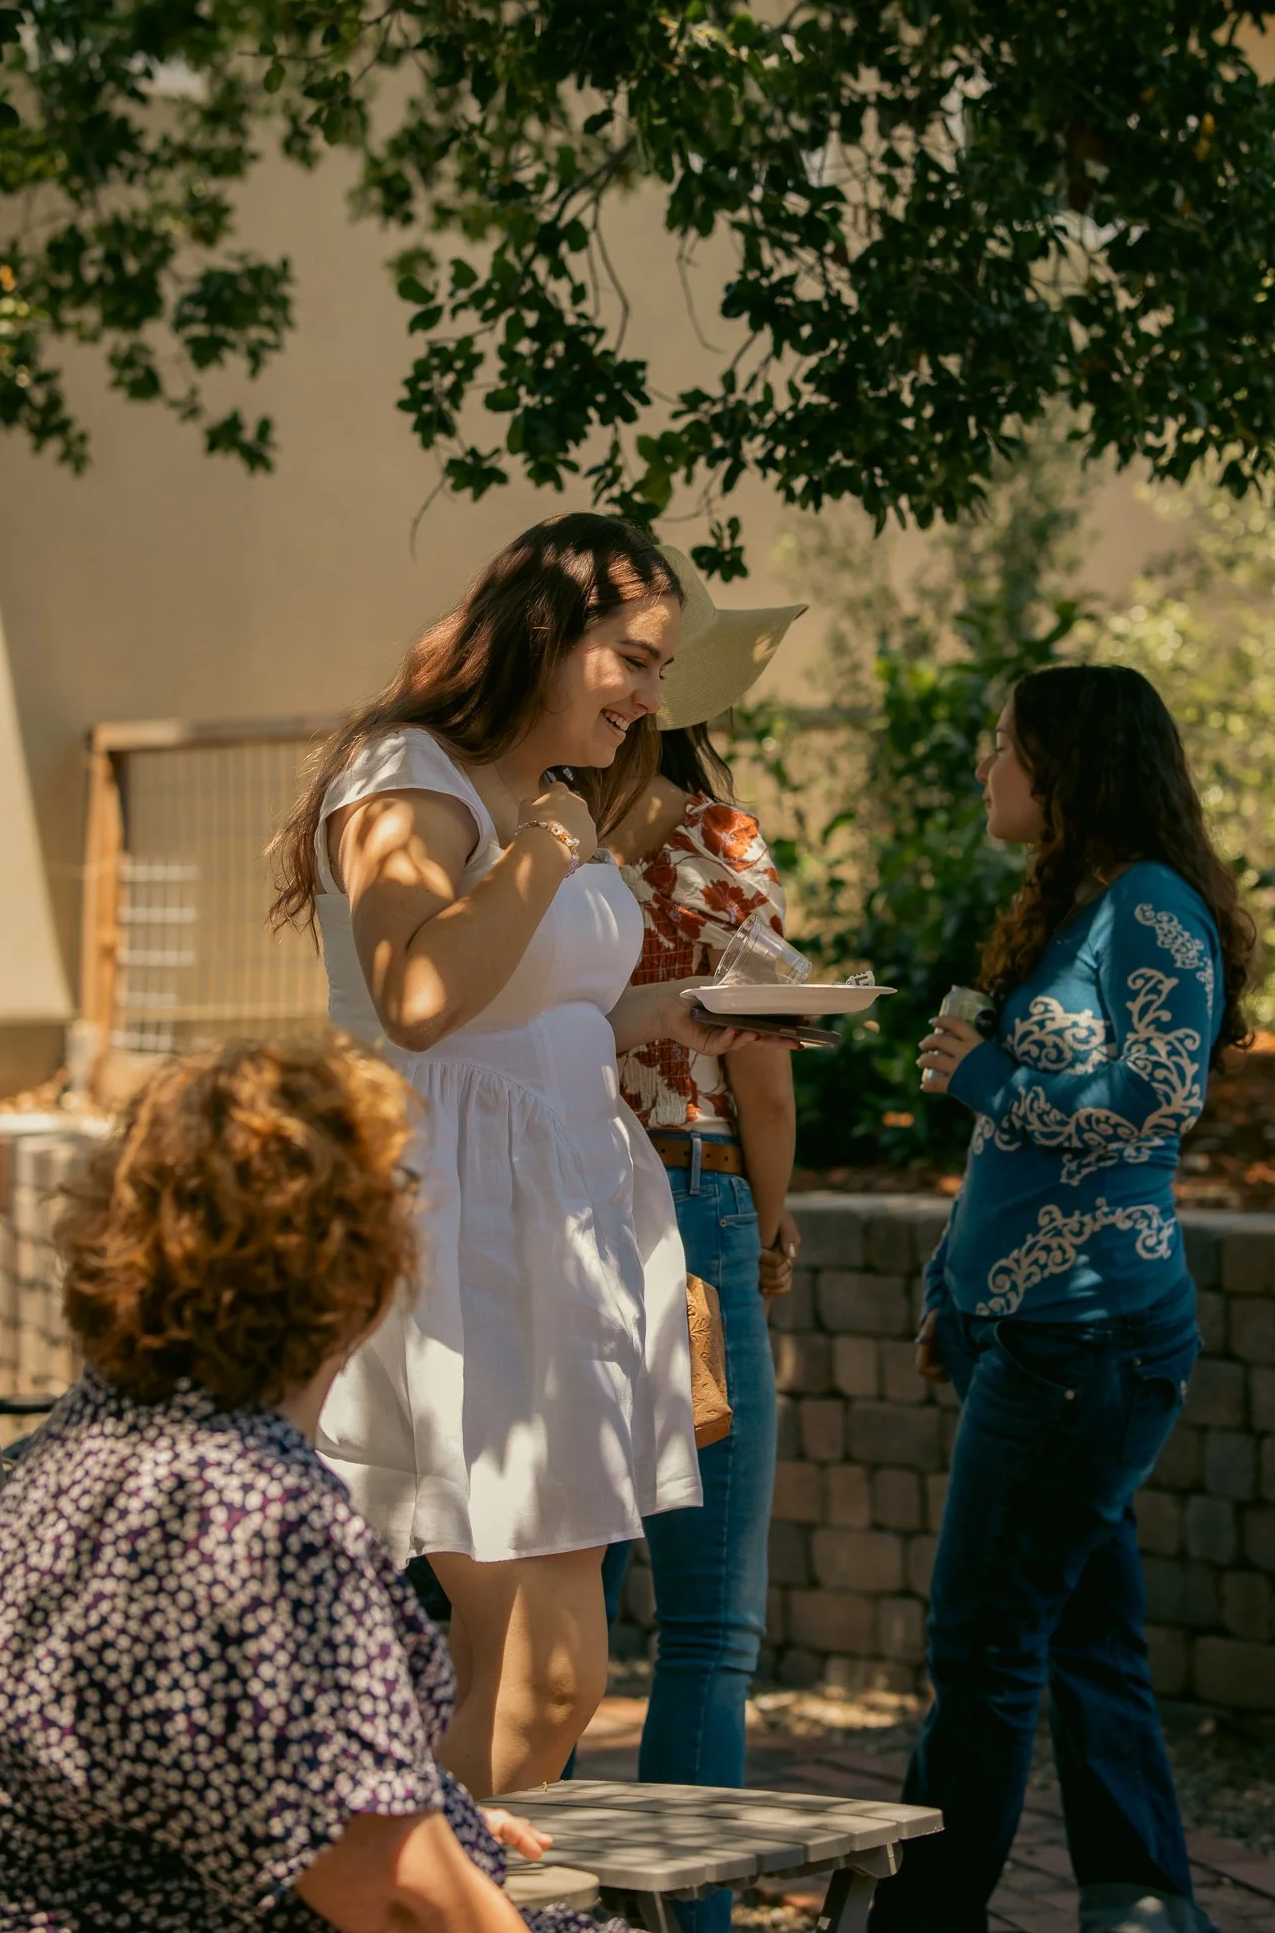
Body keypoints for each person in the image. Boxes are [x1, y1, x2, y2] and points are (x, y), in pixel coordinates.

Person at [269, 512, 760, 1798]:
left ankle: (415, 1883)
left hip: (568, 1218)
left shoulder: (544, 800)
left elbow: (538, 1012)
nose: (655, 696)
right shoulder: (408, 772)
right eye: (637, 660)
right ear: (548, 636)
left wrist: (676, 1014)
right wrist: (552, 845)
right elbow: (418, 994)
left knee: (559, 1684)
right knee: (538, 1677)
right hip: (458, 1230)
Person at [0, 1038, 620, 1933]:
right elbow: (397, 1896)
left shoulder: (87, 1446)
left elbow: (227, 1772)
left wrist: (432, 1818)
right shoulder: (254, 1513)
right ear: (353, 1260)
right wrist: (420, 1851)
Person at [871, 665, 1254, 1933]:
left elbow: (1153, 1109)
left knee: (980, 1648)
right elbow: (1014, 1160)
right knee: (1085, 1633)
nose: (988, 766)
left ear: (1072, 767)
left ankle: (926, 1916)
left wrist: (982, 1073)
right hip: (1020, 1331)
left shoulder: (1154, 910)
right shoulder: (1078, 907)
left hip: (1087, 1339)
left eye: (1005, 745)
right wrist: (953, 1289)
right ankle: (1143, 1901)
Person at [599, 552, 805, 1933]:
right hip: (688, 1192)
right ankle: (686, 1924)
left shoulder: (522, 830)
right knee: (708, 1627)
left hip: (550, 1199)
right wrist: (773, 1214)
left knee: (549, 1594)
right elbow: (766, 1065)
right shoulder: (714, 841)